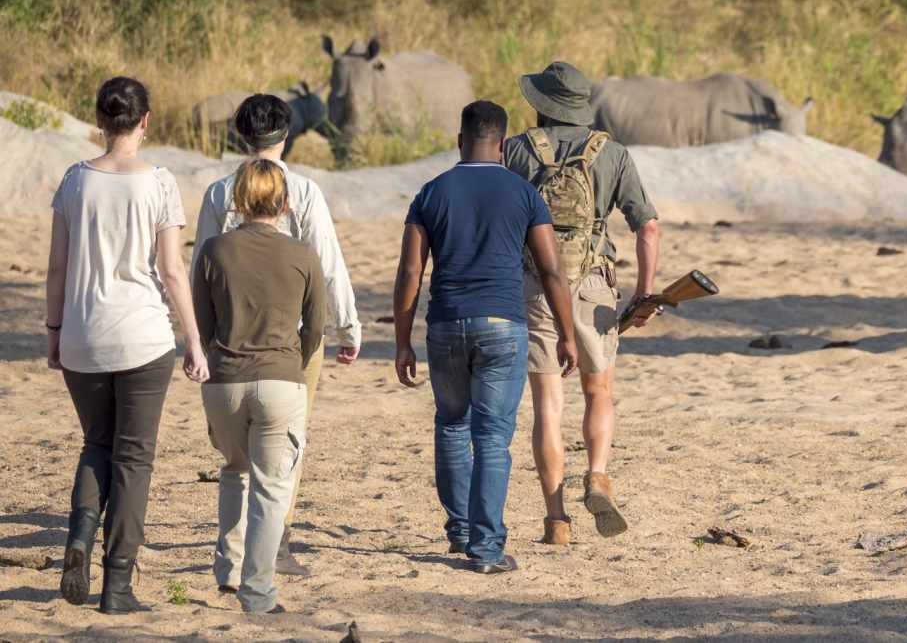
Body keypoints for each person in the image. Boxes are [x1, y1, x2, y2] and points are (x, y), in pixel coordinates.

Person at [46, 76, 210, 613]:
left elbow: (57, 267)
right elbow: (171, 270)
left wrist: (53, 331)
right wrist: (193, 339)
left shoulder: (75, 181)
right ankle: (117, 586)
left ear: (101, 121)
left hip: (82, 336)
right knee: (134, 458)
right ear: (145, 121)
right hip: (142, 338)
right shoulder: (159, 182)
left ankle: (78, 540)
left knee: (96, 443)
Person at [394, 100, 578, 574]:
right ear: (502, 144)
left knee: (452, 425)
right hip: (503, 325)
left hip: (446, 323)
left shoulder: (431, 193)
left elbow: (411, 271)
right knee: (493, 437)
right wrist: (566, 334)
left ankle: (459, 530)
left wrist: (402, 340)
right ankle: (487, 548)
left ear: (460, 140)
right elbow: (551, 270)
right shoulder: (524, 194)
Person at [194, 93, 361, 576]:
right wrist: (346, 327)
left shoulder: (218, 192)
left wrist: (196, 338)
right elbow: (326, 263)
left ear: (242, 135)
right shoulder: (304, 191)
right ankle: (278, 542)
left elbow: (200, 267)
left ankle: (243, 545)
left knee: (236, 452)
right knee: (287, 440)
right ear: (285, 137)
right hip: (292, 337)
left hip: (228, 333)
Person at [503, 62, 661, 545]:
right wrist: (644, 292)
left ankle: (557, 520)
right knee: (599, 392)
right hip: (594, 283)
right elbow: (647, 227)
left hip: (535, 285)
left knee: (548, 406)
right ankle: (597, 474)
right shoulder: (611, 152)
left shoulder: (515, 151)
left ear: (541, 104)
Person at [192, 160, 326, 614]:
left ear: (238, 201)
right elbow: (317, 327)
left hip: (224, 380)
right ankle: (259, 590)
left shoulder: (213, 250)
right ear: (286, 205)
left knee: (234, 470)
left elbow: (203, 324)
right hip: (281, 377)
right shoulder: (304, 253)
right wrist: (296, 361)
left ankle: (228, 571)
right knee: (272, 487)